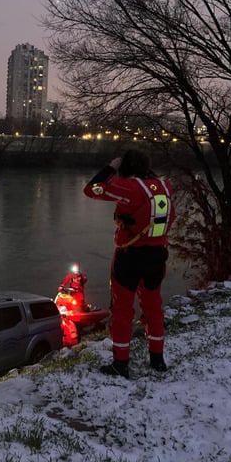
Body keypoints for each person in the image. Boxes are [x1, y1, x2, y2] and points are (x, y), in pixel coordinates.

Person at [83, 149, 174, 379]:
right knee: (153, 307)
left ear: (126, 167)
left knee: (122, 310)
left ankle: (121, 364)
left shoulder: (129, 188)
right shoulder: (164, 186)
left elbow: (91, 189)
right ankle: (157, 359)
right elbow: (149, 184)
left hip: (130, 255)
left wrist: (111, 168)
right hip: (157, 256)